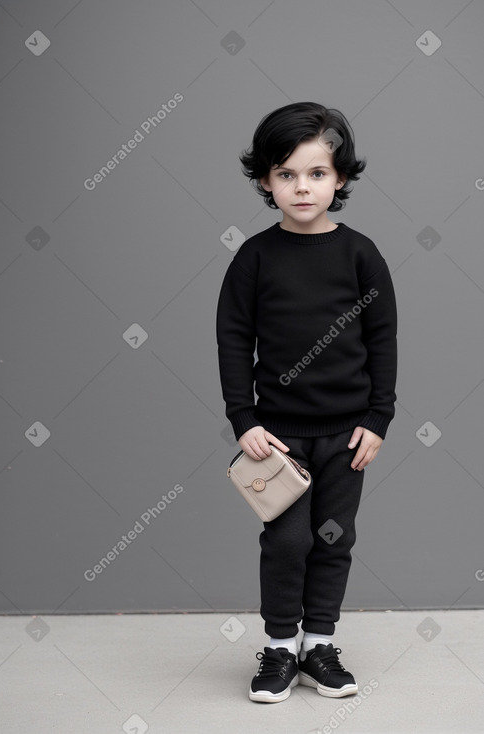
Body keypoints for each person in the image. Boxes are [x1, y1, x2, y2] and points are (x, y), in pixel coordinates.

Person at [215, 102, 397, 704]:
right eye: (286, 173)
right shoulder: (255, 257)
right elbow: (234, 339)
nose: (302, 186)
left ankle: (320, 644)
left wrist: (378, 419)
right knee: (287, 541)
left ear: (340, 178)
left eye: (316, 173)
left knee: (332, 536)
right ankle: (279, 647)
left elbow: (382, 340)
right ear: (266, 180)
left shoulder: (361, 254)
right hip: (277, 436)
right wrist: (244, 418)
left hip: (348, 434)